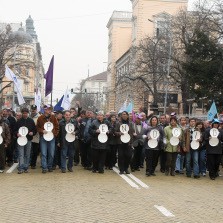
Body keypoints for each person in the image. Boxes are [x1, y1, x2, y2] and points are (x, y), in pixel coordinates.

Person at [37, 105, 59, 173]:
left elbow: (57, 127)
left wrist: (54, 134)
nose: (50, 111)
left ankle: (49, 166)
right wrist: (42, 131)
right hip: (43, 137)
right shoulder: (40, 118)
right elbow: (37, 127)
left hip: (52, 138)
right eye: (49, 109)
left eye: (50, 109)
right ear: (45, 110)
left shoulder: (53, 117)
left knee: (51, 153)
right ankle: (44, 167)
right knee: (43, 153)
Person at [15, 107, 37, 174]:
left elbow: (34, 130)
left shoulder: (31, 121)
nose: (25, 114)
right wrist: (17, 133)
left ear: (28, 113)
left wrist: (32, 133)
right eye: (23, 113)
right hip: (20, 140)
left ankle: (26, 167)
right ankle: (21, 168)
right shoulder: (18, 121)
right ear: (22, 113)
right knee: (21, 154)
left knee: (27, 154)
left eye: (26, 113)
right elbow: (15, 130)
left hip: (28, 139)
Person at [30, 105, 40, 169]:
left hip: (36, 137)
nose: (33, 110)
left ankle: (33, 164)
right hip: (28, 137)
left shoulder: (39, 117)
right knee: (29, 151)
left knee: (35, 151)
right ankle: (29, 162)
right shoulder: (28, 116)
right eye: (32, 109)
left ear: (36, 109)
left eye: (34, 109)